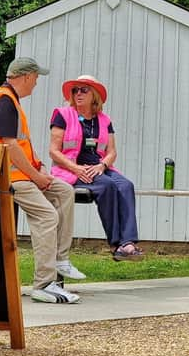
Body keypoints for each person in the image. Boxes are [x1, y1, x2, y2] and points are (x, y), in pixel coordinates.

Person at [0, 57, 85, 304]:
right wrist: (36, 176)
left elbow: (22, 146)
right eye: (35, 79)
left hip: (23, 173)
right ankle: (44, 284)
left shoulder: (12, 101)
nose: (35, 84)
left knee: (65, 190)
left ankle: (61, 259)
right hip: (7, 175)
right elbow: (9, 146)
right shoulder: (3, 102)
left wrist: (41, 169)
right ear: (25, 77)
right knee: (47, 216)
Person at [49, 75, 143, 261]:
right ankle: (116, 244)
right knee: (107, 185)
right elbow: (53, 151)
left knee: (126, 185)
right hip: (72, 168)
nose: (78, 93)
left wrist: (103, 165)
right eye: (75, 90)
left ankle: (128, 242)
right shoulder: (63, 114)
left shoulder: (104, 120)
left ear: (95, 95)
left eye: (84, 90)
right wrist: (76, 169)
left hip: (99, 167)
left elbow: (112, 152)